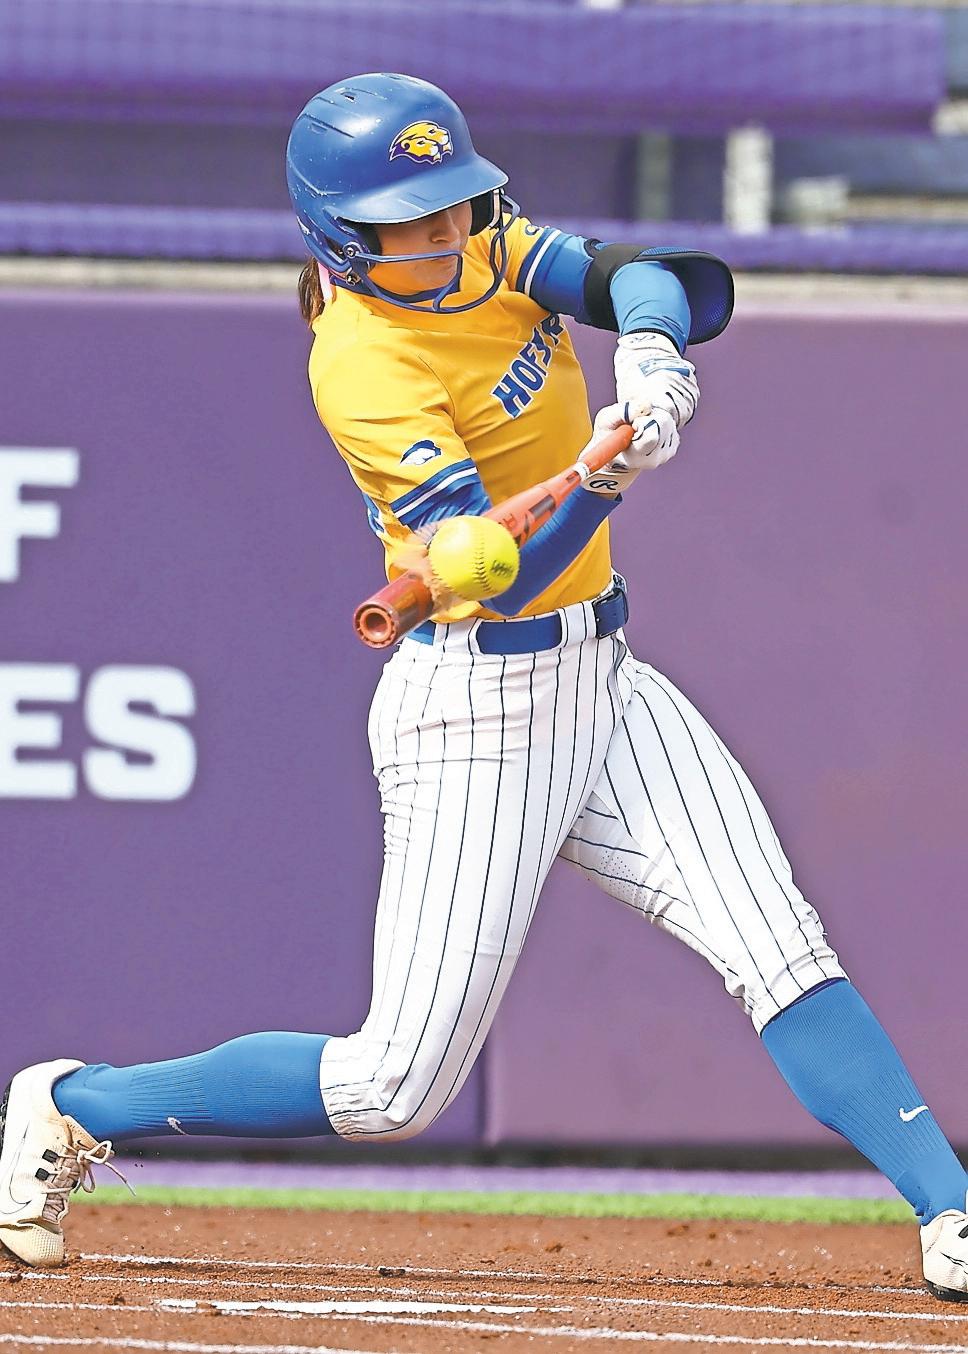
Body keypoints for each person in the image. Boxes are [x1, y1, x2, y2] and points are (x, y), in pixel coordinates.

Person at [1, 73, 966, 1302]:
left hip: (603, 677)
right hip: (476, 711)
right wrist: (606, 481)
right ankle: (77, 1102)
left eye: (451, 203)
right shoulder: (363, 364)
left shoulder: (486, 246)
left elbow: (639, 274)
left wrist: (651, 352)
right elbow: (505, 577)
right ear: (339, 237)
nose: (440, 232)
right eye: (406, 221)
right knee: (391, 1087)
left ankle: (949, 1210)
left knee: (777, 946)